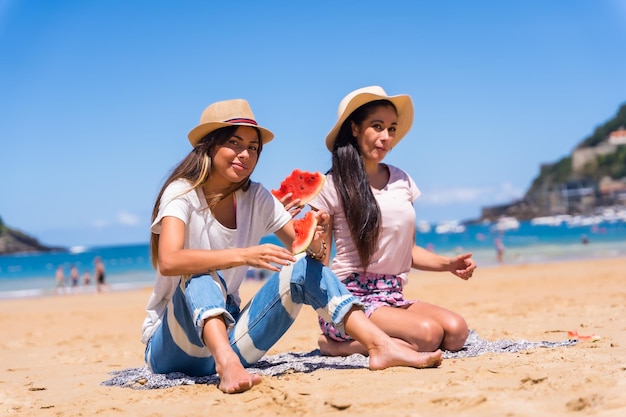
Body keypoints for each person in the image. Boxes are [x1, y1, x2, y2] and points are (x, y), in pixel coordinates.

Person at [141, 98, 442, 395]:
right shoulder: (182, 192)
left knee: (302, 268)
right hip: (173, 348)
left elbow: (312, 260)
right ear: (208, 145)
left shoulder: (256, 197)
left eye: (253, 147)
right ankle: (226, 363)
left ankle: (381, 346)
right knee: (200, 271)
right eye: (234, 143)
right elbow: (169, 260)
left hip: (233, 335)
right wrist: (243, 255)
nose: (245, 154)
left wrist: (318, 236)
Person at [309, 86, 477, 358]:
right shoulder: (331, 185)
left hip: (392, 295)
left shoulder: (402, 180)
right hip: (349, 300)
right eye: (377, 127)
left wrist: (449, 264)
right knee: (428, 335)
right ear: (354, 128)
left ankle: (354, 346)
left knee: (457, 332)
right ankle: (337, 345)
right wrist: (311, 242)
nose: (385, 137)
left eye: (391, 129)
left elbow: (408, 251)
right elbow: (321, 262)